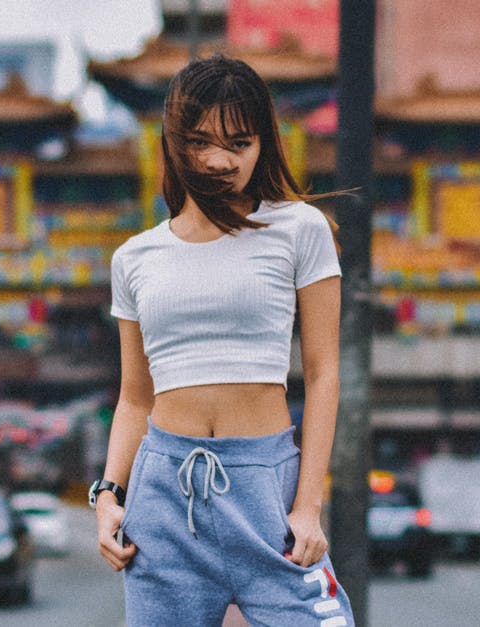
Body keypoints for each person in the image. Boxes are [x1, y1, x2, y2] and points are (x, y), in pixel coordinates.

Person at [94, 54, 354, 626]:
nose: (218, 160)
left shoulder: (299, 229)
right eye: (200, 142)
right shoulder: (134, 258)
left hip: (267, 492)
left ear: (265, 144)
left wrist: (308, 506)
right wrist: (109, 496)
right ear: (172, 143)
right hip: (163, 493)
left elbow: (325, 374)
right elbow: (135, 398)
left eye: (239, 142)